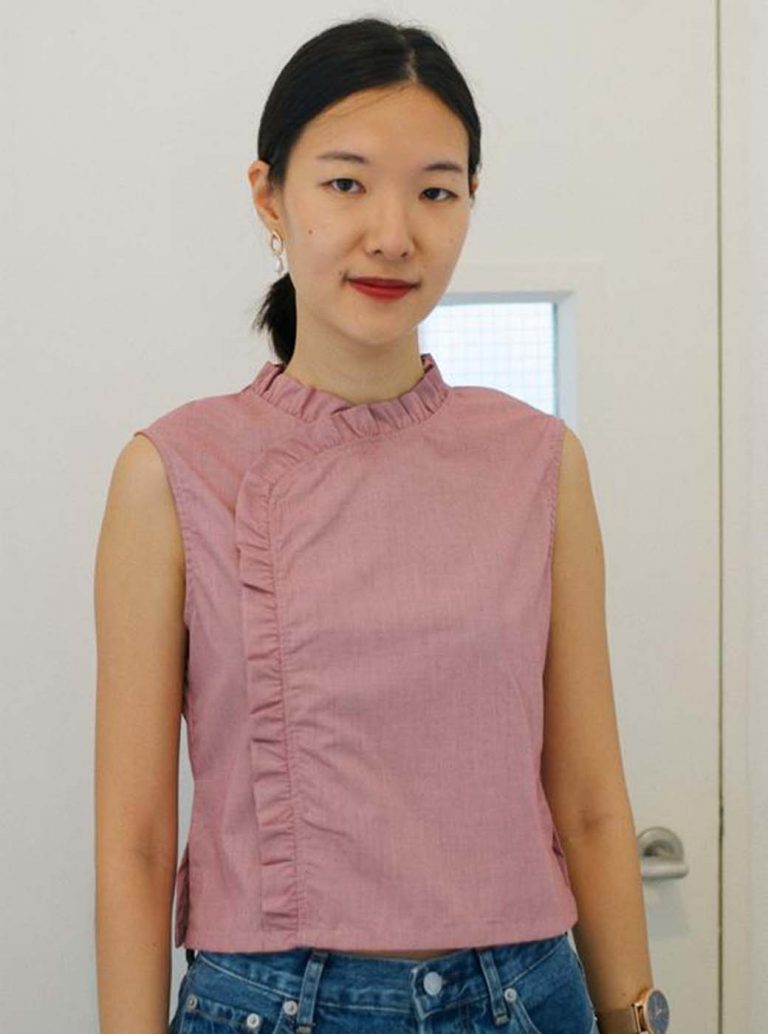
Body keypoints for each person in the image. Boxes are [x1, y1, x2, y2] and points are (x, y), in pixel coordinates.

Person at [94, 15, 663, 1034]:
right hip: (269, 1004)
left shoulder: (539, 461)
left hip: (525, 997)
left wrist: (636, 1015)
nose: (394, 233)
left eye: (436, 191)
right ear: (270, 196)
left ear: (471, 201)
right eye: (347, 183)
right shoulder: (173, 472)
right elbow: (136, 841)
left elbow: (588, 800)